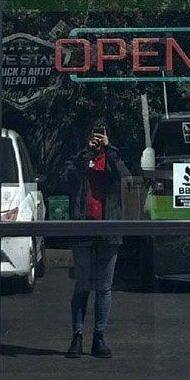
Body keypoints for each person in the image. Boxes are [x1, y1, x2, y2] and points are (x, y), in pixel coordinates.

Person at [65, 123, 129, 358]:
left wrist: (109, 149)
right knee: (82, 285)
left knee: (104, 288)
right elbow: (68, 177)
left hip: (108, 230)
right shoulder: (79, 159)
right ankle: (77, 336)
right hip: (83, 230)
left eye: (101, 135)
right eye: (94, 135)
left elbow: (126, 179)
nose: (97, 139)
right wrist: (85, 153)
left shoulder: (114, 158)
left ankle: (99, 337)